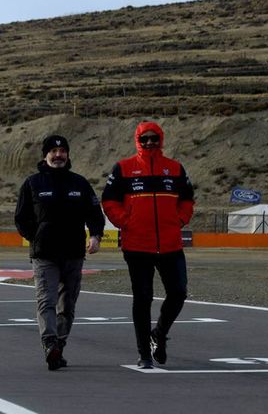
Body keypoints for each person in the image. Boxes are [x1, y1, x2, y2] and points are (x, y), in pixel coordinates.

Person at [101, 121, 195, 369]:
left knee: (178, 293)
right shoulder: (123, 168)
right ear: (137, 141)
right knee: (143, 297)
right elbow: (109, 201)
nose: (150, 142)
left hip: (170, 243)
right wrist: (125, 221)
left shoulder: (175, 169)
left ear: (161, 139)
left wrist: (180, 219)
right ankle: (143, 353)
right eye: (145, 139)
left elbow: (187, 200)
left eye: (154, 138)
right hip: (137, 245)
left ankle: (159, 333)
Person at [14, 134, 104, 371]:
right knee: (46, 300)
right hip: (44, 255)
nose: (58, 155)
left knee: (68, 305)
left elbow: (95, 213)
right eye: (53, 151)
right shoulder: (33, 183)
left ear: (67, 154)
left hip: (74, 254)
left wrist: (95, 235)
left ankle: (59, 346)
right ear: (45, 155)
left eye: (62, 151)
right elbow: (21, 218)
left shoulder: (80, 183)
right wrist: (36, 236)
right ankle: (49, 343)